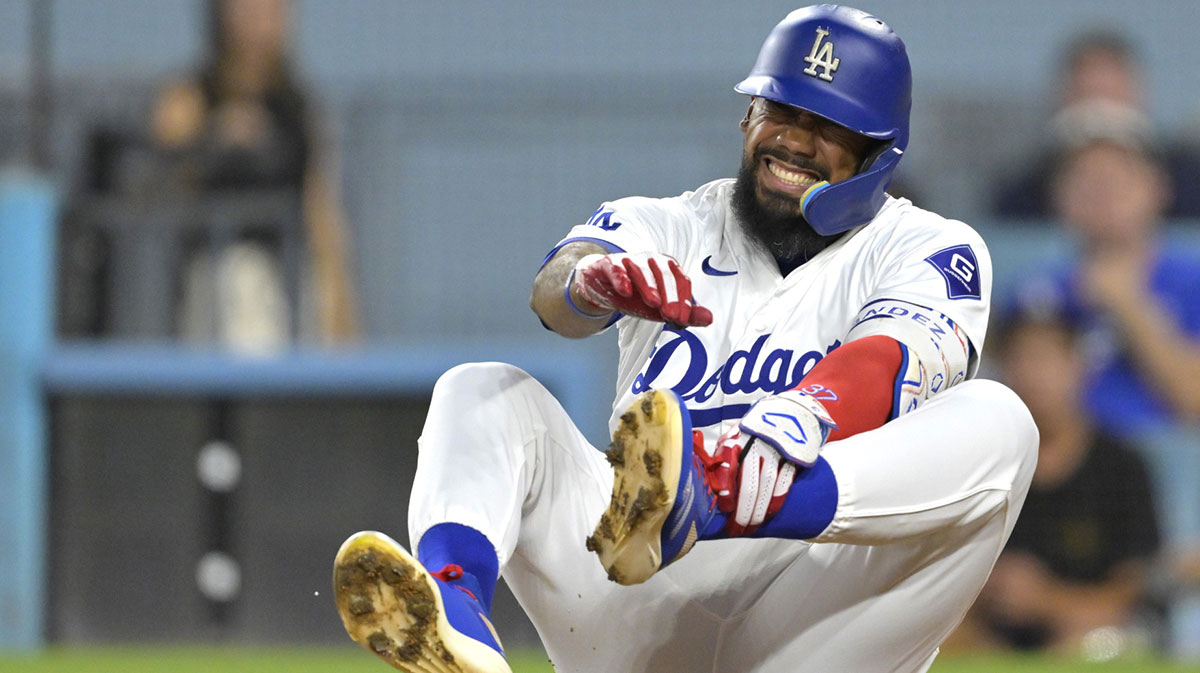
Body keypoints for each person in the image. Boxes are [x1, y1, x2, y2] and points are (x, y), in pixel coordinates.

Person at [331, 7, 1037, 673]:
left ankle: (713, 491)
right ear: (746, 116)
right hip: (630, 590)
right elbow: (555, 290)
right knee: (481, 387)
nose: (793, 136)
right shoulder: (671, 224)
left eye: (826, 125)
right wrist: (590, 281)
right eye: (779, 109)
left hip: (812, 617)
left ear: (879, 155)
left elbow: (895, 356)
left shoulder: (930, 246)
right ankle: (458, 619)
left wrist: (806, 410)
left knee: (1004, 425)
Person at [948, 304, 1161, 654]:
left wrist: (1045, 599)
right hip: (987, 634)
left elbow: (1131, 596)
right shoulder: (980, 463)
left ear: (1079, 366)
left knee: (1107, 642)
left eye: (1047, 358)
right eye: (1019, 359)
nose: (1033, 375)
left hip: (1086, 634)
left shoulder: (1121, 466)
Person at [151, 0, 358, 348]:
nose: (259, 19)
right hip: (217, 281)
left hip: (291, 281)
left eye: (272, 9)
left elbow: (322, 215)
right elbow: (160, 180)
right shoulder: (191, 98)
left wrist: (341, 314)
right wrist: (214, 139)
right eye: (246, 8)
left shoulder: (299, 108)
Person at [1026, 127, 1200, 434]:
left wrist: (1128, 304)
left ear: (1158, 188)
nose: (1102, 191)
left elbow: (1194, 401)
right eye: (1084, 178)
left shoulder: (1192, 279)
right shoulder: (1034, 292)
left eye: (1119, 176)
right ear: (1058, 197)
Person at [990, 30, 1200, 220]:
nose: (1100, 115)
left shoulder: (1189, 182)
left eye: (1111, 97)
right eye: (1088, 96)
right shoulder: (1021, 194)